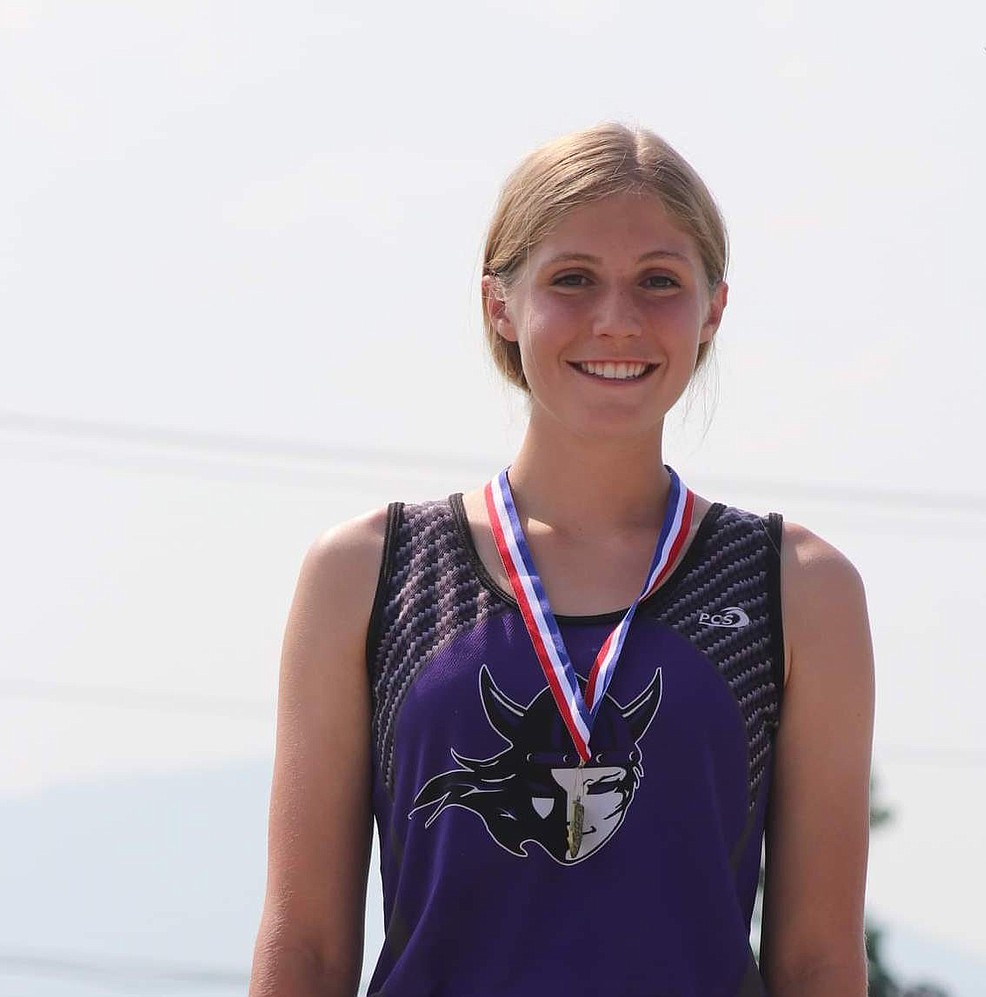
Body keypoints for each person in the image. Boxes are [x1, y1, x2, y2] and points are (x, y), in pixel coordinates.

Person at [248, 123, 875, 997]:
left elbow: (816, 963)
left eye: (659, 282)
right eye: (572, 279)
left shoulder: (797, 588)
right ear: (499, 305)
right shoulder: (368, 573)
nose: (616, 320)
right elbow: (307, 948)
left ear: (714, 309)